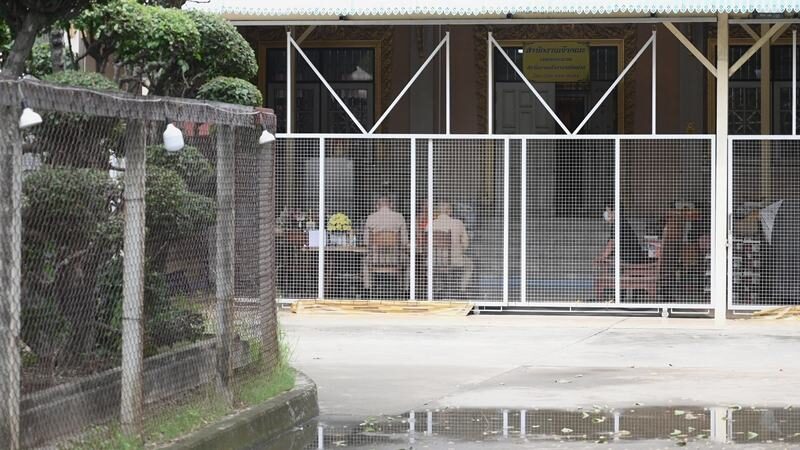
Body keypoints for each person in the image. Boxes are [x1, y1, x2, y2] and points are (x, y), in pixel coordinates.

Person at [362, 196, 408, 290]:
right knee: (408, 261)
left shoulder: (371, 218)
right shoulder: (399, 217)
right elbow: (404, 241)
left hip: (375, 258)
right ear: (391, 204)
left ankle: (367, 289)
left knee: (365, 261)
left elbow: (366, 241)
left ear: (377, 205)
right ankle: (405, 289)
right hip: (395, 259)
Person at [431, 202, 473, 293]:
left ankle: (438, 289)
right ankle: (461, 289)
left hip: (434, 261)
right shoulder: (458, 223)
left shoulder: (430, 224)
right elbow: (465, 243)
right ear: (449, 211)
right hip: (454, 261)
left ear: (437, 211)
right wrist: (460, 251)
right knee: (470, 264)